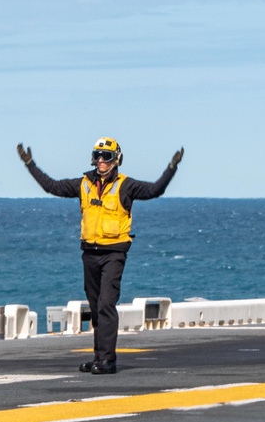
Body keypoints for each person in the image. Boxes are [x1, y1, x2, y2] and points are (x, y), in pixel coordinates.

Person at [17, 136, 184, 374]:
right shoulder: (83, 183)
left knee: (107, 304)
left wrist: (171, 168)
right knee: (95, 307)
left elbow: (155, 190)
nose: (101, 161)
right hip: (89, 253)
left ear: (117, 160)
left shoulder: (127, 185)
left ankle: (108, 360)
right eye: (97, 155)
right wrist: (30, 164)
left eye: (106, 157)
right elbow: (51, 186)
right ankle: (98, 357)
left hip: (114, 254)